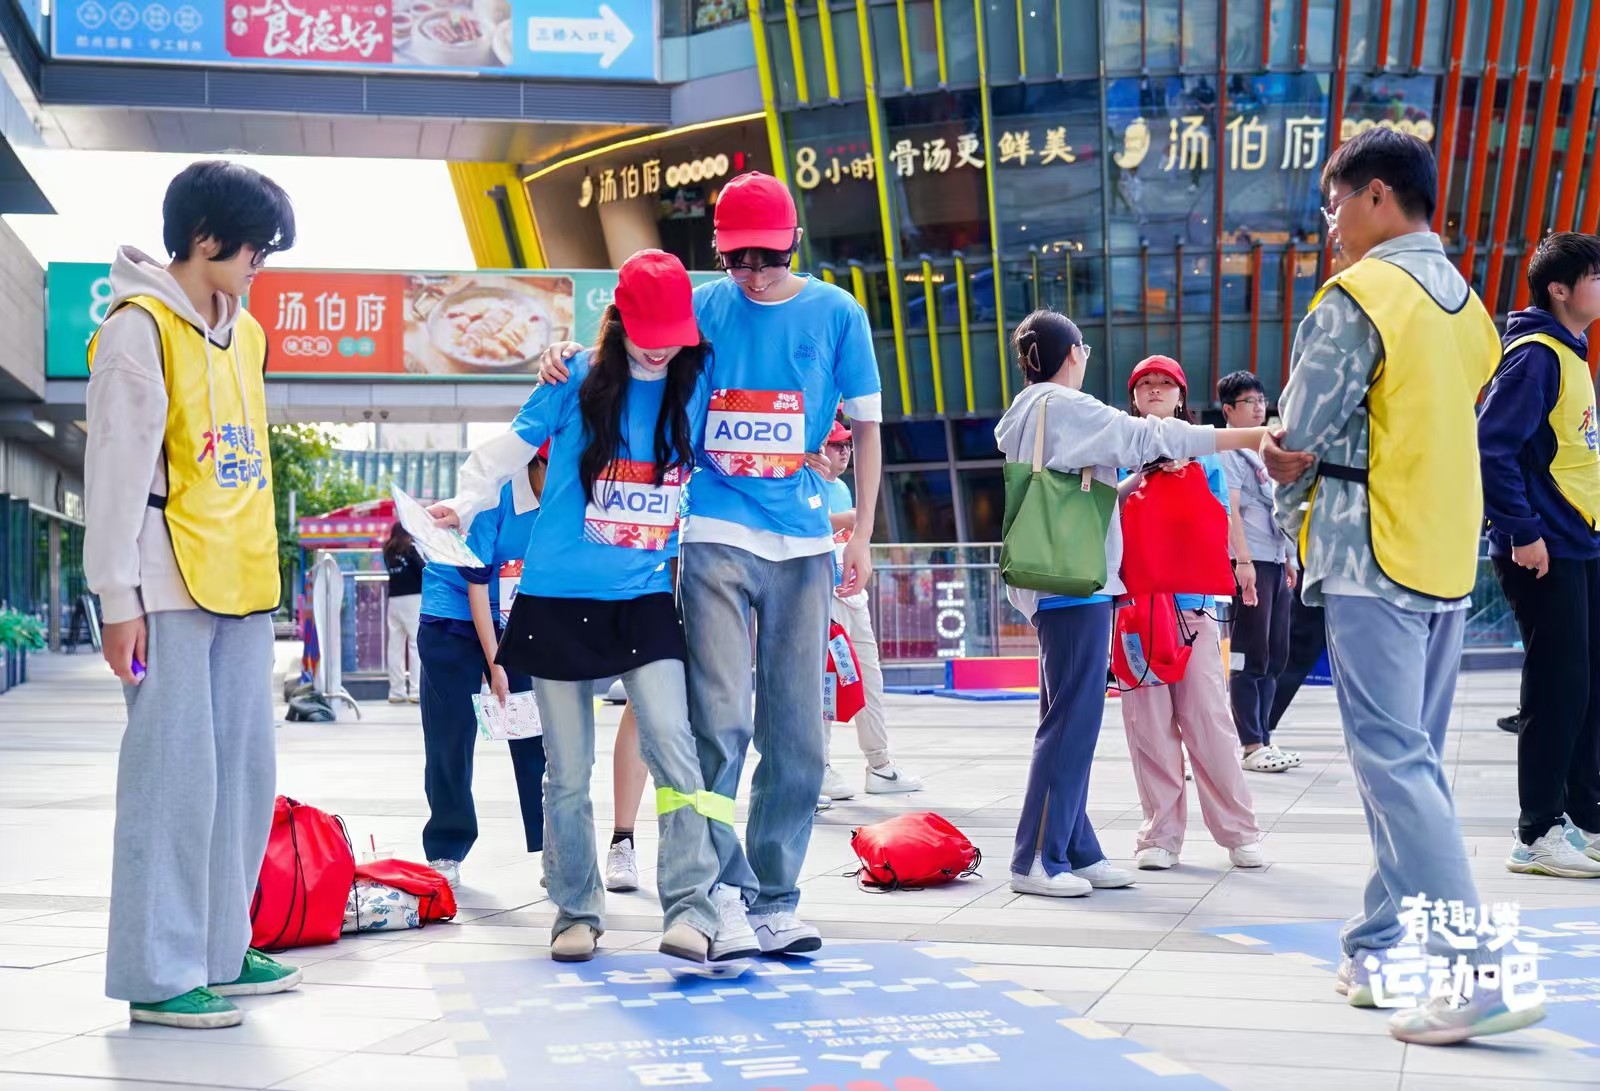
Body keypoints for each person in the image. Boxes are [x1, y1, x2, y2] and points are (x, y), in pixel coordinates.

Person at [534, 174, 884, 955]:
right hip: (714, 531)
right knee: (718, 723)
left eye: (768, 256)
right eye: (736, 257)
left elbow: (865, 428)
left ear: (795, 244)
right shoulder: (702, 307)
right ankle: (717, 891)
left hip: (803, 542)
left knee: (799, 738)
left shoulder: (838, 312)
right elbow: (632, 344)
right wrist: (564, 354)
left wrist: (861, 532)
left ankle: (775, 894)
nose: (752, 272)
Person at [1261, 126, 1547, 1043]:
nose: (1330, 223)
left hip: (1369, 549)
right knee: (1411, 761)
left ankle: (1480, 971)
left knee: (1392, 761)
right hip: (1443, 552)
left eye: (1335, 203)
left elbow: (1298, 431)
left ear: (1378, 194)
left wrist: (1280, 476)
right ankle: (1379, 943)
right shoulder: (1468, 307)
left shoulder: (1358, 296)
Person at [433, 249, 756, 964]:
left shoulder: (695, 379)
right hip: (555, 598)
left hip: (642, 596)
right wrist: (462, 501)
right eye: (647, 334)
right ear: (619, 320)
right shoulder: (575, 377)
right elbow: (507, 450)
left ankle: (692, 907)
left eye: (672, 335)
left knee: (673, 744)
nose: (659, 348)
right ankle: (575, 911)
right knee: (567, 769)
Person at [84, 161, 300, 1029]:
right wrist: (117, 597)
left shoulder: (245, 335)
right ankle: (157, 969)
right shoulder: (136, 330)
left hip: (241, 586)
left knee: (241, 779)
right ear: (205, 237)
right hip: (164, 587)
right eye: (255, 248)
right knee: (172, 782)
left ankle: (217, 947)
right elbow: (114, 473)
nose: (261, 264)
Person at [994, 316, 1272, 898]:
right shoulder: (1066, 406)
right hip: (1078, 584)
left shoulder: (1032, 410)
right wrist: (1250, 437)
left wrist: (1134, 480)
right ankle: (1035, 859)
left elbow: (1088, 493)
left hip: (1065, 582)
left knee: (1069, 720)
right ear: (1074, 354)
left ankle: (1077, 848)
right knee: (1071, 726)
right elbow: (1152, 436)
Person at [1478, 231, 1600, 879]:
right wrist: (1522, 531)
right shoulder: (1535, 356)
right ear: (1559, 288)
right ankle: (1536, 832)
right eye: (1596, 277)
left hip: (1580, 542)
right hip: (1543, 547)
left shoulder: (1569, 352)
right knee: (1558, 686)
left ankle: (1584, 818)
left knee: (1586, 683)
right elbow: (1492, 447)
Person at [1117, 357, 1266, 872]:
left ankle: (1239, 831)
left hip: (1193, 606)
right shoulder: (1118, 446)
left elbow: (1223, 515)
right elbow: (1100, 512)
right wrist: (1140, 478)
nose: (1155, 390)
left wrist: (1243, 563)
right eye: (1145, 384)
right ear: (1133, 396)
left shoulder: (1204, 450)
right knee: (1148, 726)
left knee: (1209, 721)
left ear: (1181, 396)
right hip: (1135, 609)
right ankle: (1160, 835)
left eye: (1166, 384)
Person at [416, 449, 549, 891]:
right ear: (535, 464)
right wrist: (497, 666)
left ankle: (552, 847)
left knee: (533, 734)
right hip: (452, 615)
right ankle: (446, 849)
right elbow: (476, 588)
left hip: (515, 616)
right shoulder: (494, 494)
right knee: (450, 736)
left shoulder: (567, 498)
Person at [811, 419, 922, 800]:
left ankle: (880, 765)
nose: (844, 451)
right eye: (837, 445)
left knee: (870, 678)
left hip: (851, 597)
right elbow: (805, 525)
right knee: (826, 681)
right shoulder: (808, 484)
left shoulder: (842, 488)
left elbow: (853, 537)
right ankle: (819, 767)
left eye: (848, 445)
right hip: (822, 598)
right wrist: (852, 519)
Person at [1216, 371, 1301, 772]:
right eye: (1248, 402)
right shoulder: (1229, 451)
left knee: (1274, 655)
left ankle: (1264, 736)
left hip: (1274, 561)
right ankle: (1250, 744)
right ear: (1228, 409)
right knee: (1248, 655)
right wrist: (1243, 561)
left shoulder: (1264, 449)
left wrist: (1288, 558)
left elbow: (1279, 509)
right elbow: (1231, 510)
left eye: (1260, 401)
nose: (1257, 408)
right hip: (1250, 564)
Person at [383, 522, 425, 704]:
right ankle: (415, 690)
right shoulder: (411, 549)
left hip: (394, 600)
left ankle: (396, 691)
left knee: (395, 646)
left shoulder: (388, 551)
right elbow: (423, 570)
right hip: (413, 599)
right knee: (415, 644)